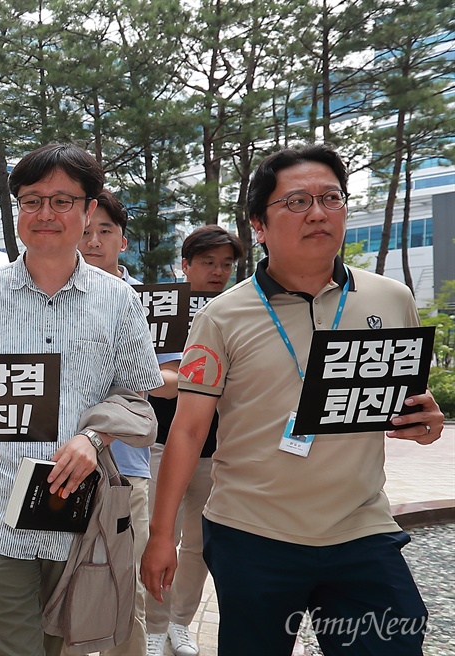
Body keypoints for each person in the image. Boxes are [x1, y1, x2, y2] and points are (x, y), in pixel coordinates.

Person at [141, 143, 444, 656]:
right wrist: (161, 534)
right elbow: (189, 430)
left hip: (360, 528)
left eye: (331, 198)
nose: (319, 212)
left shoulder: (391, 300)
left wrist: (427, 422)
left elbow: (413, 403)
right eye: (298, 201)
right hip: (251, 533)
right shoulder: (222, 316)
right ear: (259, 224)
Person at [0, 143, 163, 656]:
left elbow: (138, 403)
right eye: (31, 201)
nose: (45, 214)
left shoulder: (119, 301)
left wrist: (94, 437)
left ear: (89, 210)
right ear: (18, 210)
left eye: (63, 201)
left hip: (78, 525)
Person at [79, 190, 177, 656]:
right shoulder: (53, 298)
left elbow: (177, 380)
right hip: (61, 466)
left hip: (126, 469)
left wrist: (135, 376)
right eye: (85, 231)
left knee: (125, 587)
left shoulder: (150, 302)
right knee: (63, 587)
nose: (92, 241)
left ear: (123, 240)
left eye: (105, 231)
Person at [142, 225, 244, 656]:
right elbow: (151, 382)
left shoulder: (241, 314)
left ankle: (180, 624)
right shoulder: (161, 313)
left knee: (199, 546)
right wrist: (192, 374)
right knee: (155, 538)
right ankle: (151, 626)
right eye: (207, 263)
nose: (218, 272)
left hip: (216, 450)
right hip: (161, 445)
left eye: (226, 265)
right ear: (184, 266)